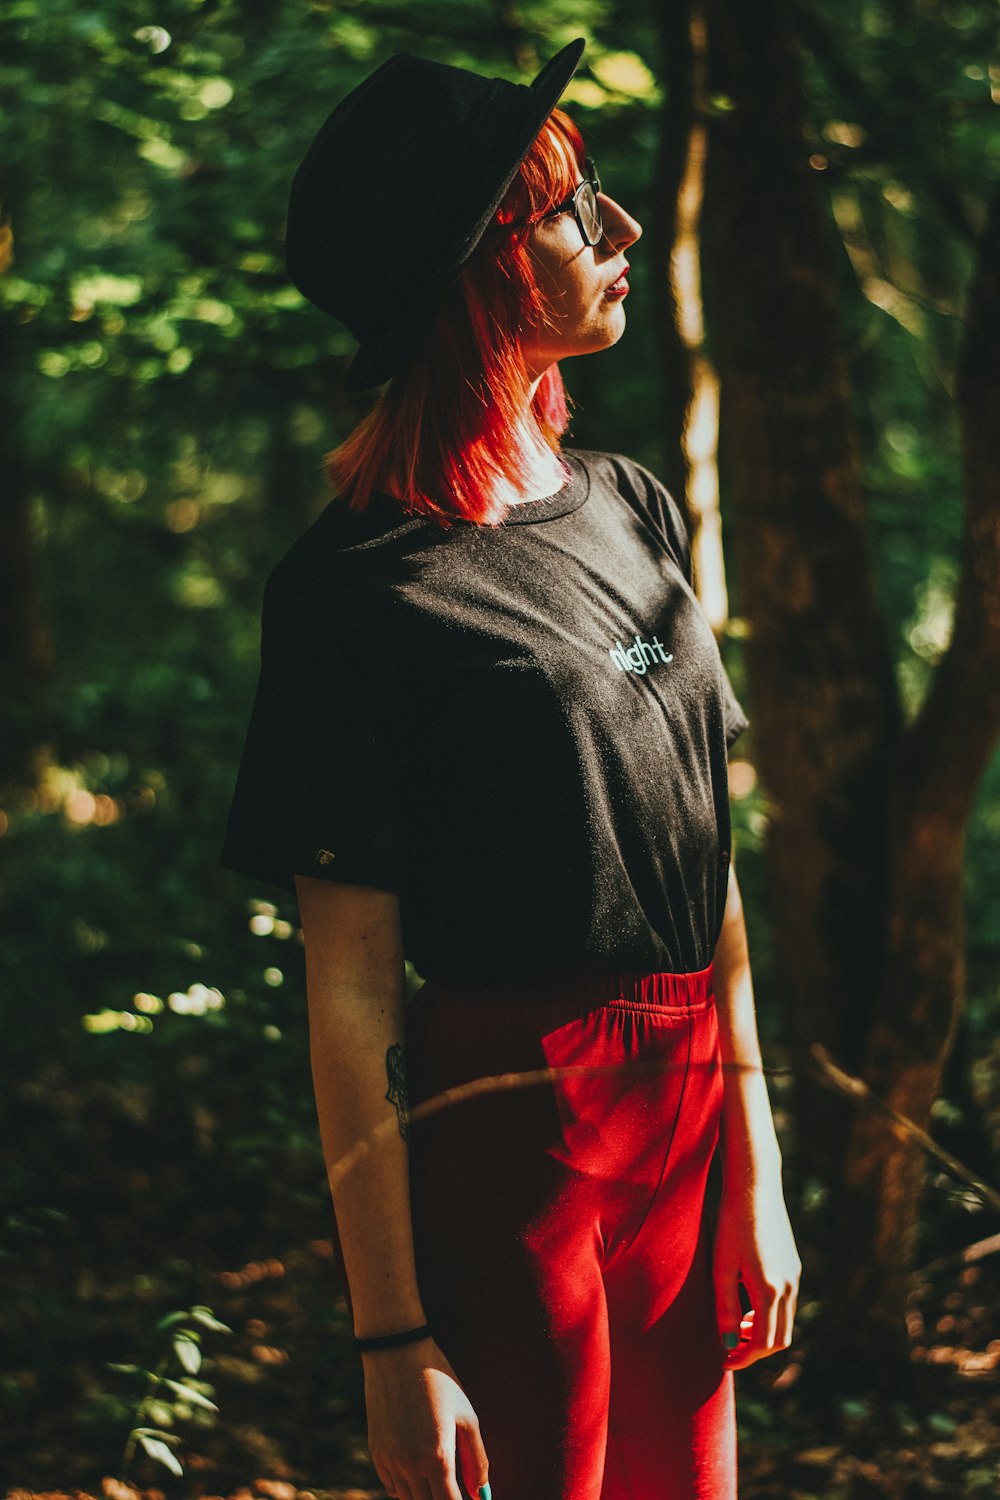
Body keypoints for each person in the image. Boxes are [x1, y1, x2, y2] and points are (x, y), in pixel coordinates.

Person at [219, 38, 801, 1500]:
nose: (616, 231)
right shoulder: (355, 590)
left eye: (604, 194)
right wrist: (392, 1341)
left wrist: (758, 1173)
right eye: (568, 209)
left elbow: (706, 866)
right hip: (511, 1142)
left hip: (685, 1128)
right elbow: (349, 990)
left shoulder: (635, 509)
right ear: (481, 271)